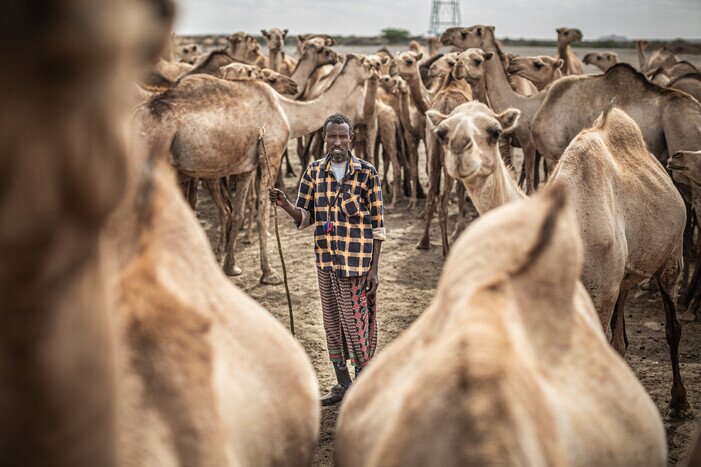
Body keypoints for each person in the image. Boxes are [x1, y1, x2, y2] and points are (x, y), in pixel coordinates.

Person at [269, 113, 385, 406]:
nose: (337, 142)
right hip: (327, 261)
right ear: (325, 139)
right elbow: (306, 215)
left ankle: (364, 386)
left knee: (357, 327)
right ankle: (343, 384)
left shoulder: (366, 173)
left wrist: (374, 269)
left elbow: (378, 227)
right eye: (332, 136)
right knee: (332, 324)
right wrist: (285, 205)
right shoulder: (313, 172)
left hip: (357, 264)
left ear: (351, 138)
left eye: (342, 136)